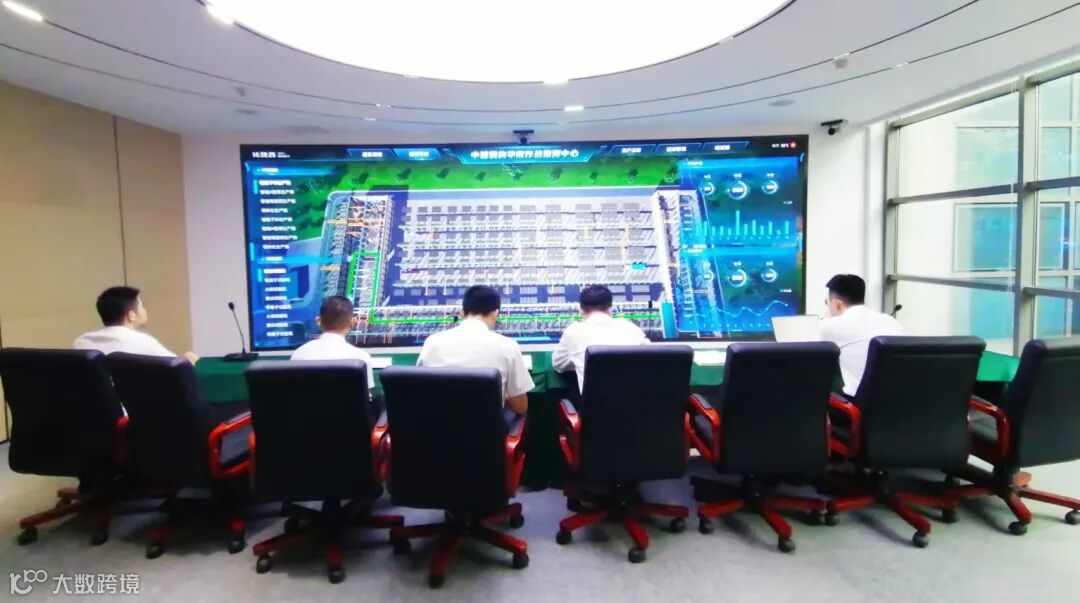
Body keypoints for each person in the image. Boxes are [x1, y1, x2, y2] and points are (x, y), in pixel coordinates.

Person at [418, 285, 533, 418]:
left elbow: (419, 392)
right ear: (495, 313)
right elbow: (521, 407)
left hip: (437, 427)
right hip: (487, 430)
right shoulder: (507, 346)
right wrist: (501, 395)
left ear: (462, 313)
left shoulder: (432, 343)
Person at [291, 295, 382, 417]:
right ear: (353, 322)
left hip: (306, 426)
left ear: (318, 321)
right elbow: (365, 399)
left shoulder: (298, 355)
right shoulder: (360, 358)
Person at [552, 285, 649, 392]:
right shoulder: (633, 329)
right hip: (635, 399)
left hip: (594, 401)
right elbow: (651, 359)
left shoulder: (573, 331)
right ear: (610, 309)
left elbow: (558, 365)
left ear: (581, 310)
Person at [818, 274, 903, 396]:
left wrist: (826, 320)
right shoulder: (892, 322)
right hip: (895, 398)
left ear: (837, 304)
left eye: (827, 303)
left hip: (856, 401)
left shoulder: (831, 325)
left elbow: (817, 361)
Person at [75, 286, 199, 364]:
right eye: (142, 307)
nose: (145, 310)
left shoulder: (82, 341)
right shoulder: (141, 341)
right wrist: (189, 361)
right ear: (131, 315)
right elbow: (175, 368)